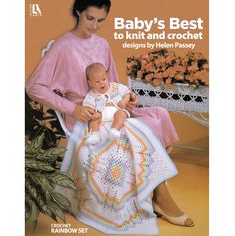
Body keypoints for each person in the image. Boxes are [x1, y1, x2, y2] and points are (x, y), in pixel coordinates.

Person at [26, 0, 194, 231]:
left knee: (156, 115)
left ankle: (154, 194)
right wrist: (73, 109)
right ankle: (162, 198)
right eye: (90, 18)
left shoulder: (102, 44)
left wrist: (128, 99)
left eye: (101, 20)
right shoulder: (63, 46)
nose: (95, 25)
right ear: (78, 12)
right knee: (136, 133)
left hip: (111, 108)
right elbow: (34, 87)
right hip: (86, 115)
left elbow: (113, 82)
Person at [83, 63, 131, 145]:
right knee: (94, 120)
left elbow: (127, 93)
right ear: (90, 83)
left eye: (104, 79)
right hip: (101, 116)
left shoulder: (116, 87)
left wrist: (124, 101)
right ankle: (94, 135)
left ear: (107, 77)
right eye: (97, 82)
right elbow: (87, 106)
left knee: (122, 113)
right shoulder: (91, 95)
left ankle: (114, 130)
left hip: (117, 111)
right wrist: (94, 113)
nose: (102, 83)